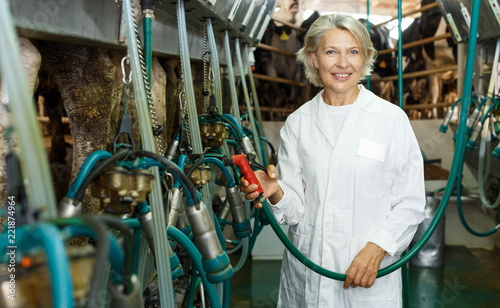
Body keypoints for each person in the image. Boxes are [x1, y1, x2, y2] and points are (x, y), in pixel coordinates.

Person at [241, 14, 425, 308]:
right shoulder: (298, 123)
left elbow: (411, 203)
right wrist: (274, 190)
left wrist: (378, 248)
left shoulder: (391, 120)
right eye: (331, 52)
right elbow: (296, 208)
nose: (343, 63)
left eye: (353, 52)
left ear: (364, 58)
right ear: (314, 58)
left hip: (367, 279)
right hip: (308, 275)